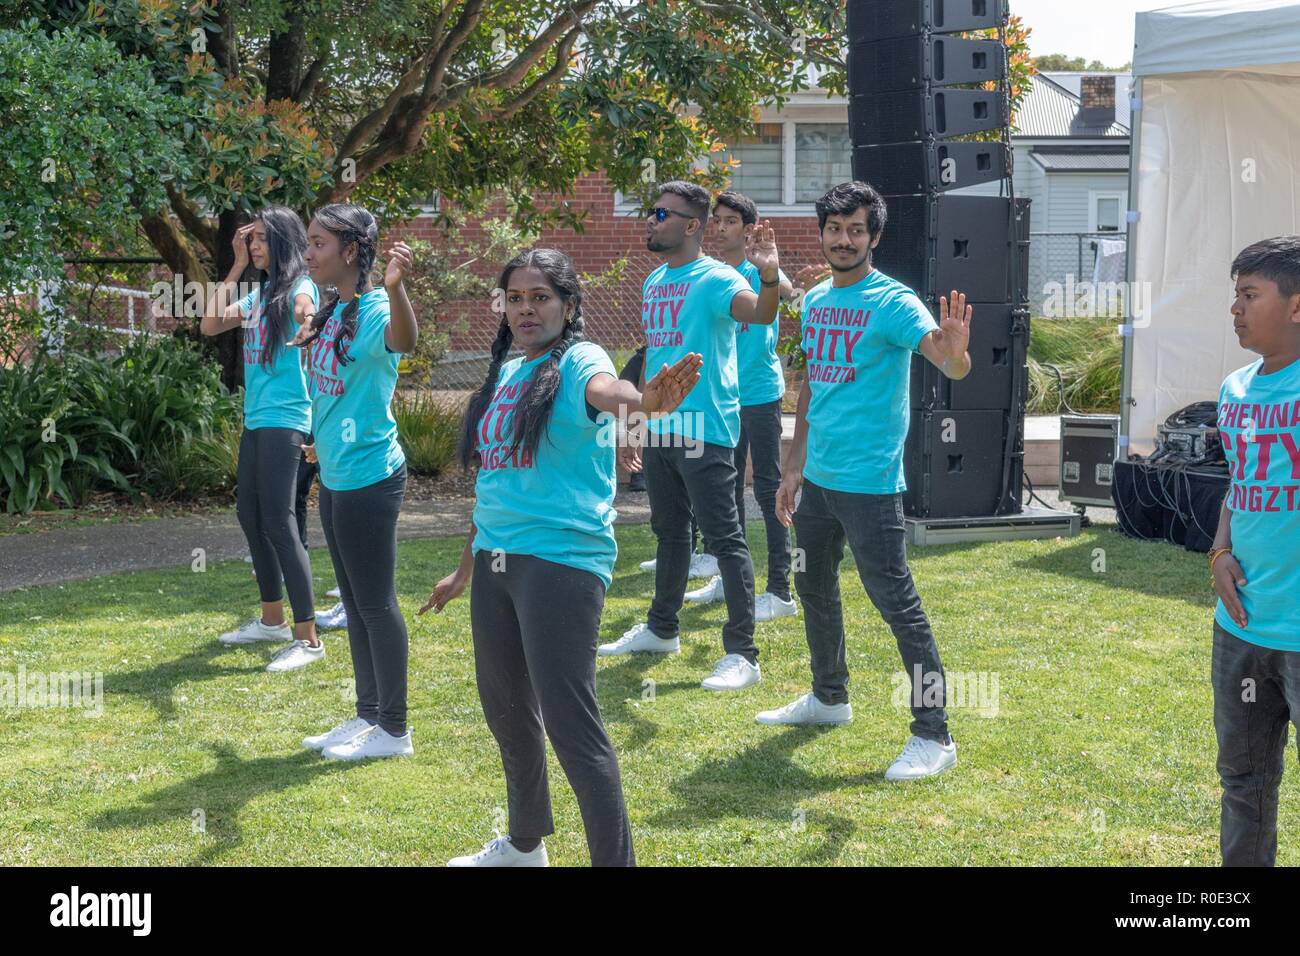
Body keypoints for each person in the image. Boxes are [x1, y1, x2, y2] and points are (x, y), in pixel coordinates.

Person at [421, 248, 702, 866]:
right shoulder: (506, 372)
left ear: (568, 305)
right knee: (508, 711)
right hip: (497, 561)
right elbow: (493, 481)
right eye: (515, 298)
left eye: (540, 297)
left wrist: (644, 404)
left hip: (560, 562)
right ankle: (524, 847)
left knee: (572, 726)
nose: (526, 308)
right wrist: (465, 568)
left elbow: (612, 392)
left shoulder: (580, 360)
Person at [761, 181, 971, 782]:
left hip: (871, 486)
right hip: (818, 483)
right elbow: (810, 390)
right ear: (822, 233)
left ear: (874, 237)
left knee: (898, 608)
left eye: (856, 230)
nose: (844, 239)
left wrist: (956, 354)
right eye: (834, 228)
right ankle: (829, 697)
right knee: (814, 588)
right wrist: (793, 468)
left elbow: (945, 358)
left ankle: (934, 734)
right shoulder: (820, 301)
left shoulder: (894, 302)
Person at [598, 181, 782, 694]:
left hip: (707, 430)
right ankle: (662, 629)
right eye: (651, 211)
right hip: (660, 427)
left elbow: (762, 313)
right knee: (670, 533)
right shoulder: (654, 282)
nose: (651, 220)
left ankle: (743, 654)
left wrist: (768, 276)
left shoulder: (718, 279)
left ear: (693, 225)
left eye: (663, 213)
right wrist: (635, 424)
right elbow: (655, 363)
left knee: (725, 539)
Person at [293, 203, 418, 761]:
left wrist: (396, 288)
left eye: (318, 243)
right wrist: (321, 440)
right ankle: (367, 715)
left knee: (374, 603)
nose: (309, 253)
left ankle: (394, 729)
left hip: (371, 475)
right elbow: (332, 390)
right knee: (354, 600)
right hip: (338, 473)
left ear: (350, 252)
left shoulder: (371, 310)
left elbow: (404, 340)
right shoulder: (331, 310)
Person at [1209, 235, 1300, 866]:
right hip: (1241, 625)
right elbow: (1239, 486)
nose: (1236, 310)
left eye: (1250, 295)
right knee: (1244, 783)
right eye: (1234, 296)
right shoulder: (1235, 390)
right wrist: (1218, 553)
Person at [202, 206, 324, 673]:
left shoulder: (299, 287)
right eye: (249, 240)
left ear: (284, 242)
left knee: (278, 519)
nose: (253, 247)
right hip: (257, 420)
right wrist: (233, 267)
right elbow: (210, 324)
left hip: (288, 420)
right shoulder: (260, 295)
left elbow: (305, 308)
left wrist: (309, 322)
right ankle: (272, 619)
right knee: (249, 513)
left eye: (261, 240)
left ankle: (308, 637)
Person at [682, 190, 797, 623]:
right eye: (718, 220)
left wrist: (776, 273)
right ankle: (730, 576)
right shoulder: (707, 273)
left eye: (730, 221)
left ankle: (781, 590)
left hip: (759, 394)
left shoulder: (761, 269)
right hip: (722, 398)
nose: (720, 227)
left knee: (768, 490)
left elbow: (787, 292)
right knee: (726, 490)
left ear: (748, 228)